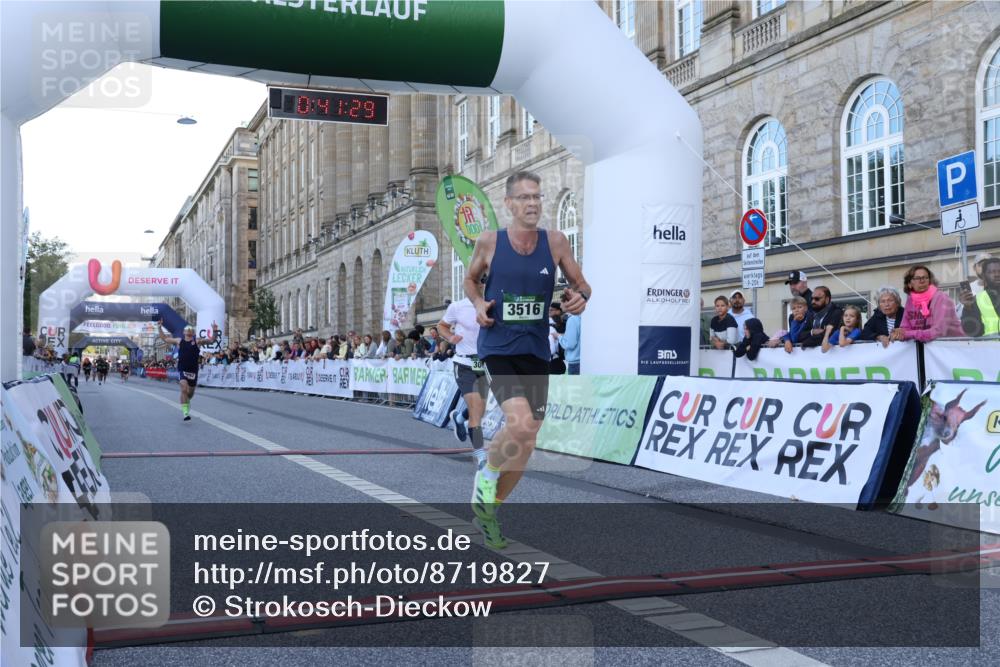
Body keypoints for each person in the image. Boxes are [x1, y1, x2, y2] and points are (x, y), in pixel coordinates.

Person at [465, 170, 592, 548]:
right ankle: (487, 475)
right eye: (524, 197)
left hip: (536, 350)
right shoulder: (490, 241)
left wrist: (580, 297)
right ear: (509, 204)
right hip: (498, 347)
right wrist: (478, 303)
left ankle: (488, 512)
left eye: (536, 196)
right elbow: (470, 280)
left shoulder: (556, 242)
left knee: (527, 440)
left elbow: (582, 284)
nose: (532, 203)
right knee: (520, 423)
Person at [439, 296, 490, 468]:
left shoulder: (493, 302)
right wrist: (450, 337)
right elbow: (441, 326)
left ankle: (459, 417)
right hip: (463, 363)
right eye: (477, 283)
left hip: (483, 363)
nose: (481, 285)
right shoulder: (458, 306)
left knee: (480, 408)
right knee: (476, 410)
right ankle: (481, 457)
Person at [158, 321, 217, 421]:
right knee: (184, 389)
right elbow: (165, 339)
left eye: (191, 330)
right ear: (184, 332)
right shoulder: (179, 341)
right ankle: (185, 413)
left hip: (193, 370)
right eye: (187, 329)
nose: (189, 331)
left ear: (193, 333)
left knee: (190, 394)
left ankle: (186, 401)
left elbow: (211, 341)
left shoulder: (197, 341)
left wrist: (215, 331)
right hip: (182, 369)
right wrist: (159, 327)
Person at [893, 264, 963, 343]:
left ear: (930, 281)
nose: (922, 281)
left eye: (925, 277)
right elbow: (905, 327)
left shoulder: (941, 298)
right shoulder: (910, 299)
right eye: (917, 278)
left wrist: (908, 334)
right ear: (909, 284)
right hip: (928, 347)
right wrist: (898, 333)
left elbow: (938, 331)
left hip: (954, 346)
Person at [959, 257, 1000, 337]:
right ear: (984, 276)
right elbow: (972, 332)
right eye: (991, 272)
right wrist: (968, 308)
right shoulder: (977, 299)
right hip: (991, 345)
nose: (997, 274)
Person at [557, 307, 581, 375]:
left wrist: (558, 337)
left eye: (562, 303)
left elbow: (570, 344)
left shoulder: (572, 319)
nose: (560, 306)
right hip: (579, 362)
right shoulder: (579, 317)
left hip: (575, 363)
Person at [548, 302, 567, 375]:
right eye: (549, 310)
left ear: (559, 311)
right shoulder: (550, 325)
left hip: (557, 360)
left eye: (551, 310)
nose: (549, 312)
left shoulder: (566, 324)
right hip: (559, 360)